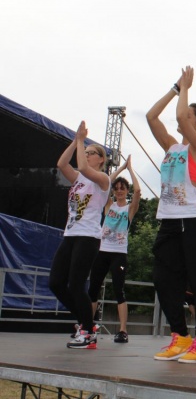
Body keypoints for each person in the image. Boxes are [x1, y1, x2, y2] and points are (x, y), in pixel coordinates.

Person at [147, 66, 196, 363]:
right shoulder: (173, 147)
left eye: (190, 117)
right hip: (168, 221)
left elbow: (179, 117)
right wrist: (175, 89)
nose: (183, 118)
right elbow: (151, 117)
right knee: (162, 279)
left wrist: (187, 88)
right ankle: (180, 336)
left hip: (192, 222)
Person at [50, 122, 110, 349]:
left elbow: (84, 168)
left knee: (76, 284)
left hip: (88, 236)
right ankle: (87, 323)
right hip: (71, 233)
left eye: (91, 152)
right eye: (85, 152)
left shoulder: (103, 180)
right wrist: (76, 140)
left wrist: (82, 141)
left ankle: (87, 332)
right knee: (56, 283)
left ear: (101, 159)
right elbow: (61, 163)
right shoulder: (77, 179)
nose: (86, 154)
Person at [88, 155, 141, 344]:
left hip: (119, 253)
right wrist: (121, 169)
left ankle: (123, 330)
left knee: (119, 290)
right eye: (117, 188)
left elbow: (138, 191)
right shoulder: (109, 205)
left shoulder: (129, 209)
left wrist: (130, 169)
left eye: (122, 188)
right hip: (103, 251)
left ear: (126, 191)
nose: (119, 191)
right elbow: (106, 183)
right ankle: (87, 327)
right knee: (93, 288)